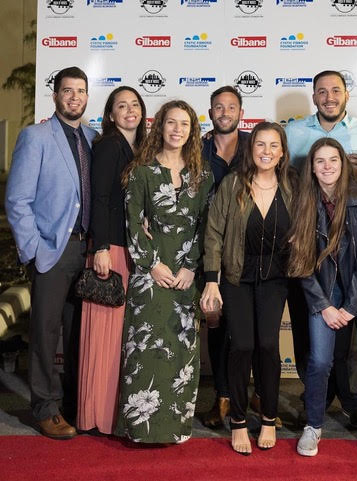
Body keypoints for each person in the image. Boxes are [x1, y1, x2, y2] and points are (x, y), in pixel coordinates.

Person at [285, 70, 357, 426]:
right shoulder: (293, 132)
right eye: (322, 91)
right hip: (309, 246)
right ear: (314, 97)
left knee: (351, 336)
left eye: (336, 90)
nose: (329, 97)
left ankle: (351, 398)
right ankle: (316, 396)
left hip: (353, 250)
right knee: (308, 328)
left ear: (346, 95)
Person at [5, 66, 98, 439]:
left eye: (81, 91)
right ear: (56, 95)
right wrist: (35, 249)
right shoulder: (36, 136)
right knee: (45, 334)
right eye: (68, 90)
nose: (75, 97)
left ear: (87, 96)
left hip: (87, 252)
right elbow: (17, 200)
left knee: (79, 334)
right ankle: (45, 408)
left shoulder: (93, 139)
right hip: (52, 252)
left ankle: (75, 406)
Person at [115, 100, 213, 444]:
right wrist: (152, 264)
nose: (177, 130)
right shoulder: (141, 171)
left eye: (184, 124)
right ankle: (139, 429)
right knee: (143, 350)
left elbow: (206, 226)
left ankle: (175, 427)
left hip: (186, 276)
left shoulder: (203, 175)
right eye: (171, 122)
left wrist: (190, 266)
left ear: (192, 131)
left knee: (181, 351)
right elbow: (133, 223)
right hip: (149, 274)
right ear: (160, 127)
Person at [288, 137, 357, 459]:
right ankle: (313, 426)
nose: (327, 166)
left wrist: (351, 307)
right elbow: (301, 263)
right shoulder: (303, 200)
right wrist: (324, 305)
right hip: (324, 287)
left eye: (333, 159)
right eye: (320, 161)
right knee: (319, 361)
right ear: (311, 167)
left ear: (343, 164)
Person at [201, 122, 296, 455]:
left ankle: (268, 417)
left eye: (273, 145)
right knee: (241, 345)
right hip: (236, 277)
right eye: (260, 144)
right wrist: (211, 280)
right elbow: (213, 233)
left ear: (282, 152)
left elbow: (307, 223)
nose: (266, 151)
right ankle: (238, 420)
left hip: (275, 279)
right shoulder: (232, 184)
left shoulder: (293, 186)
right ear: (250, 149)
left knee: (268, 346)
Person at [77, 86, 147, 435]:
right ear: (110, 114)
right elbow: (100, 199)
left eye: (135, 104)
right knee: (104, 335)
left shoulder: (140, 148)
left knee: (121, 336)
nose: (130, 110)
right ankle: (96, 416)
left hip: (131, 250)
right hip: (111, 249)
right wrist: (101, 247)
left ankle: (115, 413)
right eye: (122, 105)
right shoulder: (108, 145)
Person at [201, 85, 248, 428]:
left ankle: (248, 395)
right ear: (210, 112)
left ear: (241, 113)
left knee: (247, 330)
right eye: (219, 107)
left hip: (248, 250)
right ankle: (222, 396)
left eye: (231, 107)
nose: (225, 112)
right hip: (208, 246)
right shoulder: (197, 149)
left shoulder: (255, 146)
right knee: (216, 323)